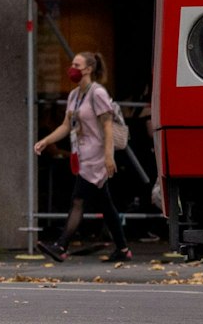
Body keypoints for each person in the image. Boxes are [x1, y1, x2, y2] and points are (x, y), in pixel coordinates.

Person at [32, 51, 132, 262]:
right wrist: (47, 141)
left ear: (88, 69)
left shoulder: (98, 93)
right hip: (84, 155)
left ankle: (61, 245)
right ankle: (123, 249)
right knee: (106, 204)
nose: (72, 68)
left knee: (78, 200)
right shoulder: (74, 95)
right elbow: (66, 126)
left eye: (76, 65)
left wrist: (108, 156)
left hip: (97, 156)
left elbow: (107, 126)